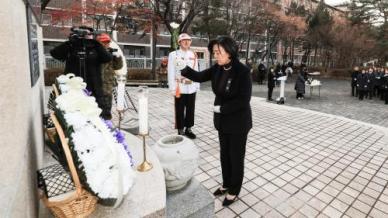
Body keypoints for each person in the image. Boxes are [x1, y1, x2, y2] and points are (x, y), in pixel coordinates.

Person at [181, 36, 252, 207]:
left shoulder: (242, 72)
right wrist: (183, 68)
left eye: (219, 52)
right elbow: (199, 76)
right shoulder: (218, 68)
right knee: (224, 155)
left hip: (238, 122)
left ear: (230, 52)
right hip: (222, 122)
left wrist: (223, 109)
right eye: (214, 53)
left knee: (236, 157)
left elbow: (244, 100)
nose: (216, 56)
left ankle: (234, 189)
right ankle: (227, 183)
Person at [50, 26, 113, 114]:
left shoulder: (95, 47)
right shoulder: (71, 46)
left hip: (93, 86)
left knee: (94, 111)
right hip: (73, 86)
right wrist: (70, 42)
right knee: (73, 110)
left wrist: (96, 43)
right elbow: (54, 54)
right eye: (81, 34)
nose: (83, 36)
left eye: (86, 34)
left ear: (91, 35)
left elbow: (108, 58)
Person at [168, 33, 199, 139]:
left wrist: (197, 85)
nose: (186, 42)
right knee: (179, 109)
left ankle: (189, 128)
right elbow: (171, 71)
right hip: (179, 87)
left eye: (188, 40)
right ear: (179, 42)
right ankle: (180, 129)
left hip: (191, 87)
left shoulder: (193, 54)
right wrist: (172, 87)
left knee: (191, 109)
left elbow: (196, 71)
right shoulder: (174, 54)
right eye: (184, 40)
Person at [96, 33, 123, 120]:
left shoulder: (111, 52)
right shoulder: (95, 52)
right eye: (104, 42)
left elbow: (118, 67)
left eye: (107, 42)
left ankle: (107, 124)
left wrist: (118, 58)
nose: (106, 44)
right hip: (96, 85)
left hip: (108, 85)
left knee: (107, 107)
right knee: (96, 107)